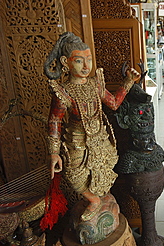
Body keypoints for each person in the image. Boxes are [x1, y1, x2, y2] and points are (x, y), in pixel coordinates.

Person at [43, 32, 140, 221]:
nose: (87, 66)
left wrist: (128, 82)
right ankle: (93, 200)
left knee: (104, 169)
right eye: (79, 61)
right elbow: (54, 121)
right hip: (77, 140)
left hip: (100, 136)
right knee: (73, 175)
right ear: (66, 62)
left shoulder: (95, 84)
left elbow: (113, 103)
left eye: (89, 59)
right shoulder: (63, 91)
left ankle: (103, 200)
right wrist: (53, 152)